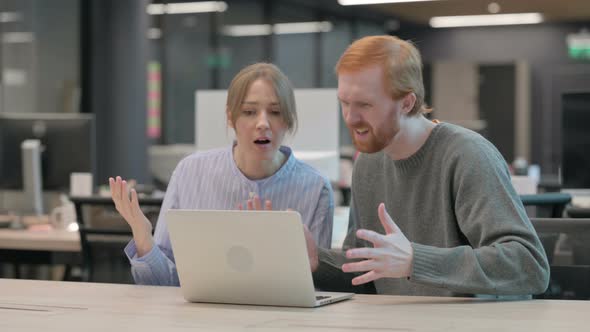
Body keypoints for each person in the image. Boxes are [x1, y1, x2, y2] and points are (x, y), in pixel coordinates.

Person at [305, 35, 549, 297]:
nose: (351, 118)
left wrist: (415, 261)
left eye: (364, 104)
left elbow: (529, 265)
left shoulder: (467, 156)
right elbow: (367, 272)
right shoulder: (368, 162)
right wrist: (316, 262)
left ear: (407, 103)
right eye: (344, 102)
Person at [110, 63, 334, 286]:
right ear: (230, 117)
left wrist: (272, 256)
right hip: (198, 319)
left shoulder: (315, 189)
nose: (263, 123)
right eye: (249, 112)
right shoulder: (190, 173)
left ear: (288, 119)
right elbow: (163, 285)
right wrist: (143, 237)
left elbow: (319, 288)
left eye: (275, 112)